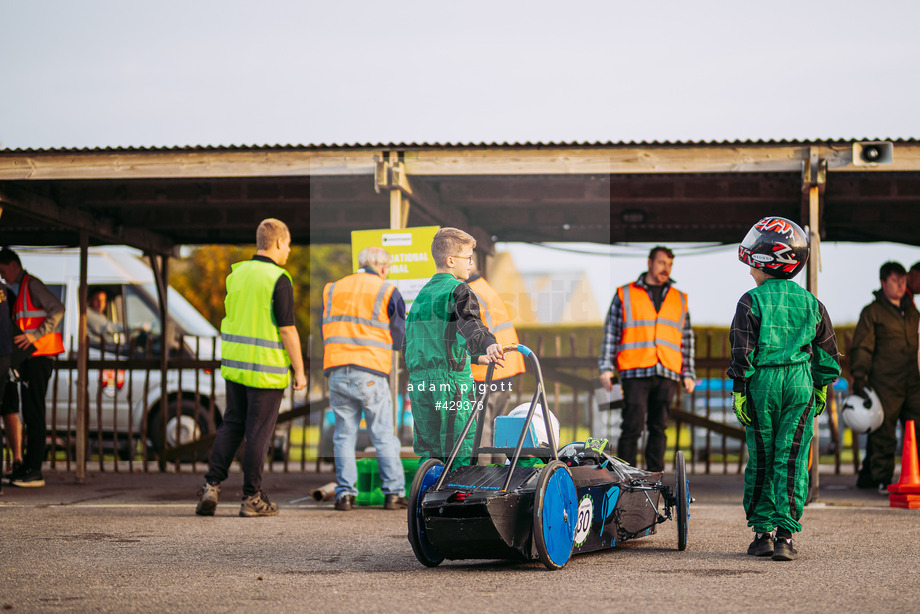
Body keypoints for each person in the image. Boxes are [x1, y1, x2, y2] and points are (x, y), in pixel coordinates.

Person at [728, 216, 841, 561]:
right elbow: (827, 356)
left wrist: (738, 390)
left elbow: (741, 352)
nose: (750, 272)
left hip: (763, 384)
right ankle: (786, 537)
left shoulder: (750, 301)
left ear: (766, 260)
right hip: (800, 385)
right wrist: (820, 388)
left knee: (761, 456)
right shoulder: (813, 304)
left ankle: (762, 534)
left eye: (753, 265)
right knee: (791, 457)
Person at [195, 219, 307, 517]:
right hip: (266, 370)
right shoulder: (278, 278)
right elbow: (287, 330)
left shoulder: (237, 274)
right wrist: (299, 370)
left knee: (231, 425)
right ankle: (251, 498)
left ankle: (211, 486)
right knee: (258, 433)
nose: (289, 250)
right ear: (279, 242)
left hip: (236, 366)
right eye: (289, 244)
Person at [405, 227, 504, 465]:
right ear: (451, 260)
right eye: (468, 258)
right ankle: (455, 499)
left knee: (429, 454)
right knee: (458, 449)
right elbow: (470, 321)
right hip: (451, 386)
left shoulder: (422, 295)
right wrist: (488, 344)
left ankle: (424, 499)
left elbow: (426, 343)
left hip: (420, 385)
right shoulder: (458, 290)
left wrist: (472, 358)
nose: (471, 263)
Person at [322, 246, 408, 512]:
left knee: (343, 436)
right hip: (370, 371)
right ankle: (393, 493)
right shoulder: (387, 290)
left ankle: (345, 494)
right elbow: (400, 336)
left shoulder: (332, 289)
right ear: (383, 268)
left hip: (336, 370)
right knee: (382, 435)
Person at [598, 245, 696, 472]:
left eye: (670, 264)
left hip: (667, 371)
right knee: (632, 426)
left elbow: (686, 339)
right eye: (662, 263)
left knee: (659, 428)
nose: (666, 268)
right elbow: (611, 332)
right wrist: (605, 367)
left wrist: (688, 373)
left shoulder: (679, 299)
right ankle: (624, 478)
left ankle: (654, 477)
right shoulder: (625, 293)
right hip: (635, 370)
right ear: (650, 263)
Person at [849, 261, 920, 493]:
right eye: (894, 281)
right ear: (883, 283)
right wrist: (859, 378)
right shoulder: (872, 312)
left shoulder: (912, 311)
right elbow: (862, 347)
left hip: (913, 382)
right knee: (884, 434)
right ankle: (883, 479)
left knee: (917, 428)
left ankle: (915, 476)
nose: (900, 285)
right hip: (885, 383)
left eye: (902, 281)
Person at [0, 248, 66, 488]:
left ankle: (35, 470)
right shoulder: (22, 289)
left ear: (14, 266)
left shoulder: (32, 285)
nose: (3, 277)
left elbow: (58, 309)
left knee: (35, 412)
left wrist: (35, 336)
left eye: (3, 271)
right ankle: (27, 467)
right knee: (29, 411)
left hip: (41, 356)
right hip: (31, 357)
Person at [467, 264, 526, 461]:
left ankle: (482, 480)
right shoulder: (485, 287)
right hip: (504, 366)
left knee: (481, 430)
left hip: (487, 370)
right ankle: (502, 478)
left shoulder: (468, 293)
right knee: (498, 428)